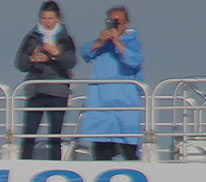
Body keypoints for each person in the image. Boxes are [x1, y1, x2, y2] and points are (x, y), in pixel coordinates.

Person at [79, 7, 144, 161]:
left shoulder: (133, 43)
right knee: (102, 153)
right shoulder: (102, 44)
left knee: (128, 151)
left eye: (118, 22)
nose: (114, 25)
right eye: (111, 22)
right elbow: (85, 52)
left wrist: (117, 42)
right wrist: (101, 41)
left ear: (125, 24)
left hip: (125, 106)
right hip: (102, 105)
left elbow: (134, 60)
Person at [15, 2, 78, 160]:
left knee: (55, 134)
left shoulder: (65, 39)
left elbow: (70, 61)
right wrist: (32, 58)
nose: (47, 22)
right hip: (35, 90)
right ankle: (24, 165)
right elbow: (19, 63)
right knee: (29, 133)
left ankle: (55, 166)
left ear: (58, 19)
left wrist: (55, 53)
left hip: (57, 92)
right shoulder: (31, 37)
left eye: (50, 18)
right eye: (44, 18)